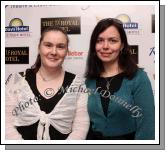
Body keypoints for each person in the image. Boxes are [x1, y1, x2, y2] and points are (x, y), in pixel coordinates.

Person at [5, 27, 89, 140]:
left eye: (60, 46)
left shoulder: (78, 84)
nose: (54, 52)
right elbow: (5, 123)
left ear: (66, 51)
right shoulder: (16, 80)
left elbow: (81, 126)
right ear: (39, 48)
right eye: (48, 45)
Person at [85, 18, 155, 140]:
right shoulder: (89, 81)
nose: (105, 46)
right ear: (94, 45)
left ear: (122, 45)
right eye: (100, 40)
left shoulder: (138, 77)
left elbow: (147, 125)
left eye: (113, 41)